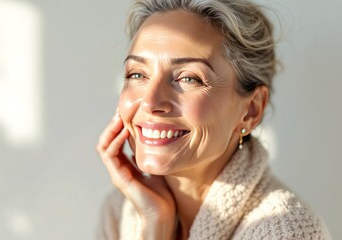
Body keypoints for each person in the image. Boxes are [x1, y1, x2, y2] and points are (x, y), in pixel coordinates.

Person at [96, 0, 329, 239]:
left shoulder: (283, 229)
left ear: (250, 110)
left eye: (188, 78)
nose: (150, 102)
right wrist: (156, 222)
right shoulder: (121, 212)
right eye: (137, 74)